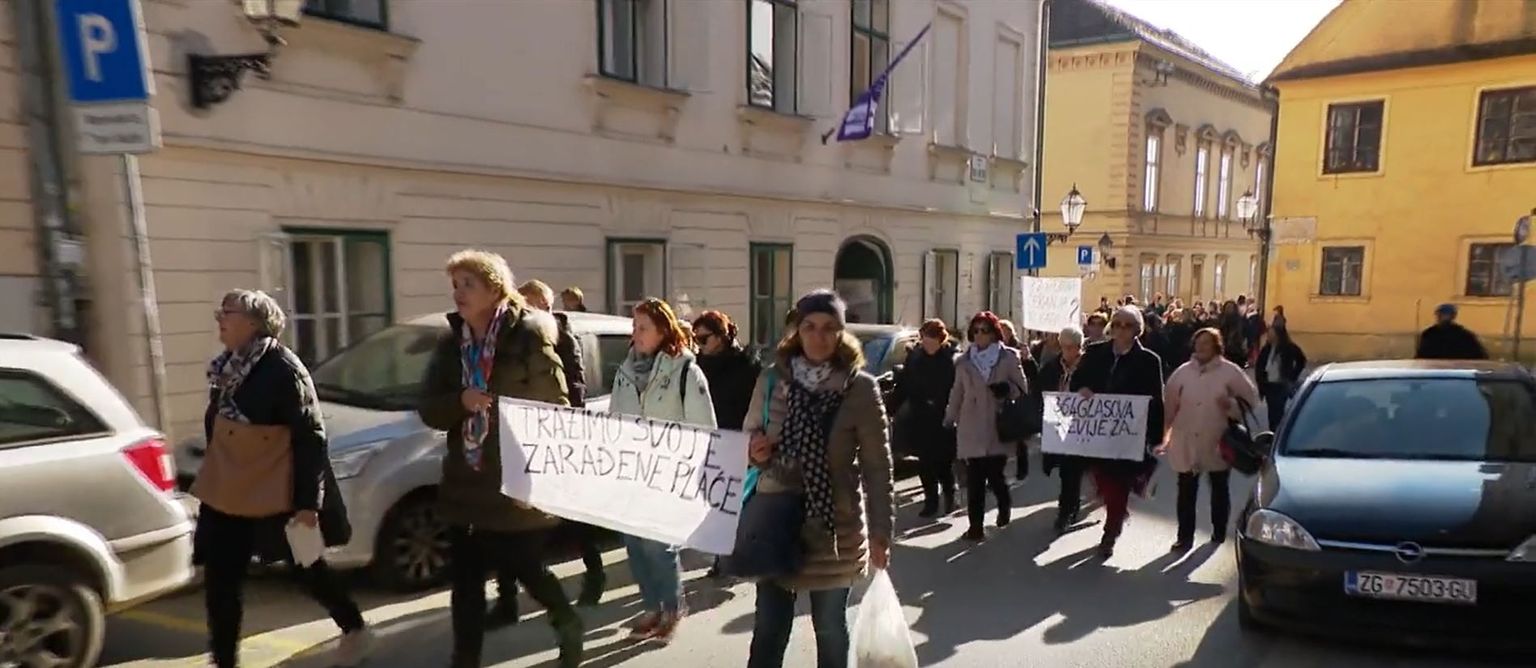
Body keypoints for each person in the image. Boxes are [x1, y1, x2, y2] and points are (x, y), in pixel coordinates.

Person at [418, 250, 582, 668]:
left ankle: (567, 622)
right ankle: (465, 659)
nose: (458, 293)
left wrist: (540, 476)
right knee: (465, 583)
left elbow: (556, 409)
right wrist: (460, 401)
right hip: (466, 481)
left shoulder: (528, 336)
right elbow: (429, 408)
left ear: (495, 290)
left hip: (514, 481)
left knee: (527, 569)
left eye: (468, 284)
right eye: (455, 285)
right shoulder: (451, 344)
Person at [192, 289, 371, 668]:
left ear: (253, 323)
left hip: (278, 492)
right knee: (221, 580)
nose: (219, 319)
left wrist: (308, 504)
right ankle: (223, 660)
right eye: (219, 311)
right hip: (230, 490)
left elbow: (310, 439)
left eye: (228, 312)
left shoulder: (283, 369)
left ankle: (353, 625)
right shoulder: (226, 369)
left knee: (306, 568)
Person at [744, 289, 894, 668]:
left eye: (829, 328)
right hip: (776, 520)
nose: (818, 337)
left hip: (834, 529)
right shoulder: (771, 380)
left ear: (841, 332)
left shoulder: (861, 388)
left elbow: (877, 466)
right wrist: (754, 451)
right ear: (796, 331)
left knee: (829, 627)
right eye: (809, 327)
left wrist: (881, 532)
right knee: (769, 628)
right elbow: (748, 435)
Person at [485, 280, 603, 620]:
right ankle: (507, 600)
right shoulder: (513, 338)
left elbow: (575, 389)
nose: (533, 312)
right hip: (518, 439)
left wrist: (560, 427)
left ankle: (594, 575)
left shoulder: (563, 339)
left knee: (573, 517)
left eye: (540, 305)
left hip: (556, 440)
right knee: (508, 518)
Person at [609, 298, 716, 643]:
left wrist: (690, 469)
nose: (636, 334)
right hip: (631, 474)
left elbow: (704, 428)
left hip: (668, 475)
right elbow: (613, 421)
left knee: (658, 545)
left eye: (643, 327)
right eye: (634, 327)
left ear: (662, 331)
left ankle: (671, 608)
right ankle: (650, 607)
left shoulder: (685, 372)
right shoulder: (624, 372)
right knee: (635, 544)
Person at [1070, 306, 1165, 559]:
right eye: (1117, 324)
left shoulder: (1149, 360)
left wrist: (1156, 437)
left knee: (1118, 481)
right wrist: (1082, 390)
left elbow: (1156, 399)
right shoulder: (1094, 352)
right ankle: (1117, 510)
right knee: (1101, 477)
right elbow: (1076, 380)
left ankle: (1110, 532)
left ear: (1137, 330)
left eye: (1127, 325)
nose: (1121, 330)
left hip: (1129, 432)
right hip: (1097, 430)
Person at [1161, 328, 1259, 551]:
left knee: (1219, 487)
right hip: (1186, 437)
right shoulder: (1183, 372)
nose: (1201, 347)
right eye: (1198, 342)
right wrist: (1165, 435)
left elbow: (1251, 399)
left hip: (1217, 438)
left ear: (1216, 345)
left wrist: (1231, 406)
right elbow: (1169, 403)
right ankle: (1184, 537)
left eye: (1206, 342)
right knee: (1186, 489)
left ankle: (1218, 532)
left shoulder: (1229, 371)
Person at [944, 312, 1029, 541]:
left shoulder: (1008, 357)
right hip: (970, 424)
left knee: (995, 475)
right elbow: (957, 392)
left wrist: (1007, 389)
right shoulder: (963, 361)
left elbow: (1023, 389)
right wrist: (949, 419)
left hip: (997, 424)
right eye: (976, 330)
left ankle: (1004, 504)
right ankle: (975, 527)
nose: (980, 335)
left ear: (994, 333)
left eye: (985, 330)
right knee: (975, 480)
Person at [888, 319, 959, 518]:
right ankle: (931, 501)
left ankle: (950, 495)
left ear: (940, 339)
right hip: (920, 416)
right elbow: (904, 384)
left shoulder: (950, 360)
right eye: (924, 337)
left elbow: (956, 388)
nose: (926, 342)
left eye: (930, 338)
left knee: (943, 462)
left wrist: (945, 405)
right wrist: (892, 405)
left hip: (943, 417)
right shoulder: (915, 358)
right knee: (925, 462)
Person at [1038, 325, 1087, 534]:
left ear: (1079, 346)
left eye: (1071, 347)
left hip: (1082, 425)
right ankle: (1070, 507)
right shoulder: (1052, 367)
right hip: (1058, 424)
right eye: (1063, 346)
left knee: (1072, 470)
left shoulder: (1089, 366)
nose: (1066, 351)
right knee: (1065, 470)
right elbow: (1039, 389)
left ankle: (1066, 511)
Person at [693, 310, 764, 431]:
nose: (700, 344)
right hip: (704, 431)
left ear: (720, 337)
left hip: (735, 432)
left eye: (703, 339)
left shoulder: (745, 365)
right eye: (696, 340)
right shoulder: (696, 365)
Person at [1255, 325, 1307, 430]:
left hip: (1281, 384)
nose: (1269, 336)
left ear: (1278, 334)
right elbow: (1259, 366)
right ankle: (1273, 433)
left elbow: (1301, 360)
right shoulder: (1266, 349)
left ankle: (1279, 432)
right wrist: (1261, 383)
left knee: (1279, 411)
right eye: (1269, 333)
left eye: (1271, 333)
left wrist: (1292, 375)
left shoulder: (1288, 347)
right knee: (1271, 412)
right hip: (1269, 385)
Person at [1416, 303, 1488, 360]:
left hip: (1456, 369)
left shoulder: (1464, 335)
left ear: (1453, 316)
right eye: (1442, 315)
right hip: (1435, 369)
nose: (1444, 317)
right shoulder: (1429, 333)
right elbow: (1422, 355)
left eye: (1447, 315)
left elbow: (1478, 355)